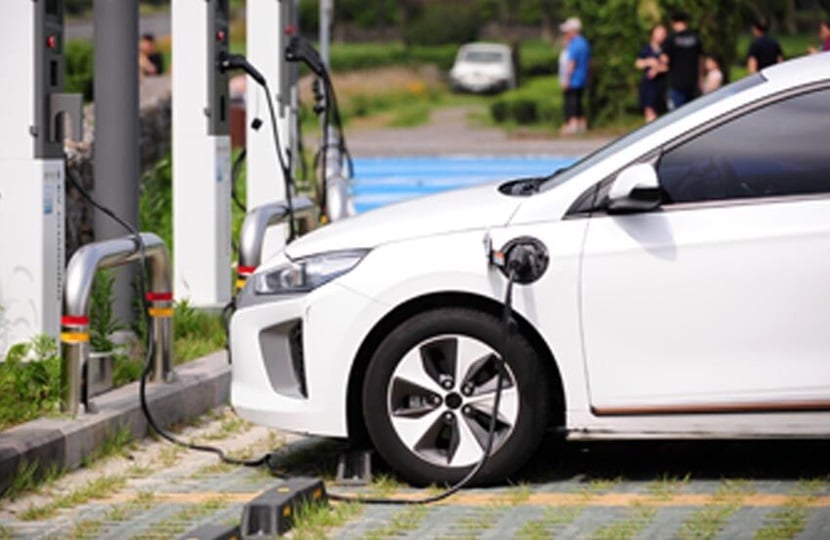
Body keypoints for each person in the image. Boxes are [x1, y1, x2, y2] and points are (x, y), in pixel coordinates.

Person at [660, 12, 703, 109]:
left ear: (672, 23)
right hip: (692, 83)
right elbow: (700, 59)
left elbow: (664, 60)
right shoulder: (695, 38)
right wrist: (700, 78)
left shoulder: (671, 39)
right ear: (686, 22)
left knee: (677, 115)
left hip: (677, 84)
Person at [559, 17, 591, 135]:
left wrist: (566, 79)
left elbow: (571, 63)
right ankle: (582, 124)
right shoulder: (584, 43)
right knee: (578, 102)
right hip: (582, 77)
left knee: (571, 102)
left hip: (574, 79)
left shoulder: (575, 44)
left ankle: (572, 125)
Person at [635, 24, 668, 123]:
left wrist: (657, 69)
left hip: (662, 85)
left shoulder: (666, 49)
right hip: (649, 85)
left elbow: (668, 66)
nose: (661, 36)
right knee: (650, 111)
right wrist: (648, 62)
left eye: (663, 33)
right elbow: (638, 63)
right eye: (659, 33)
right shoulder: (647, 49)